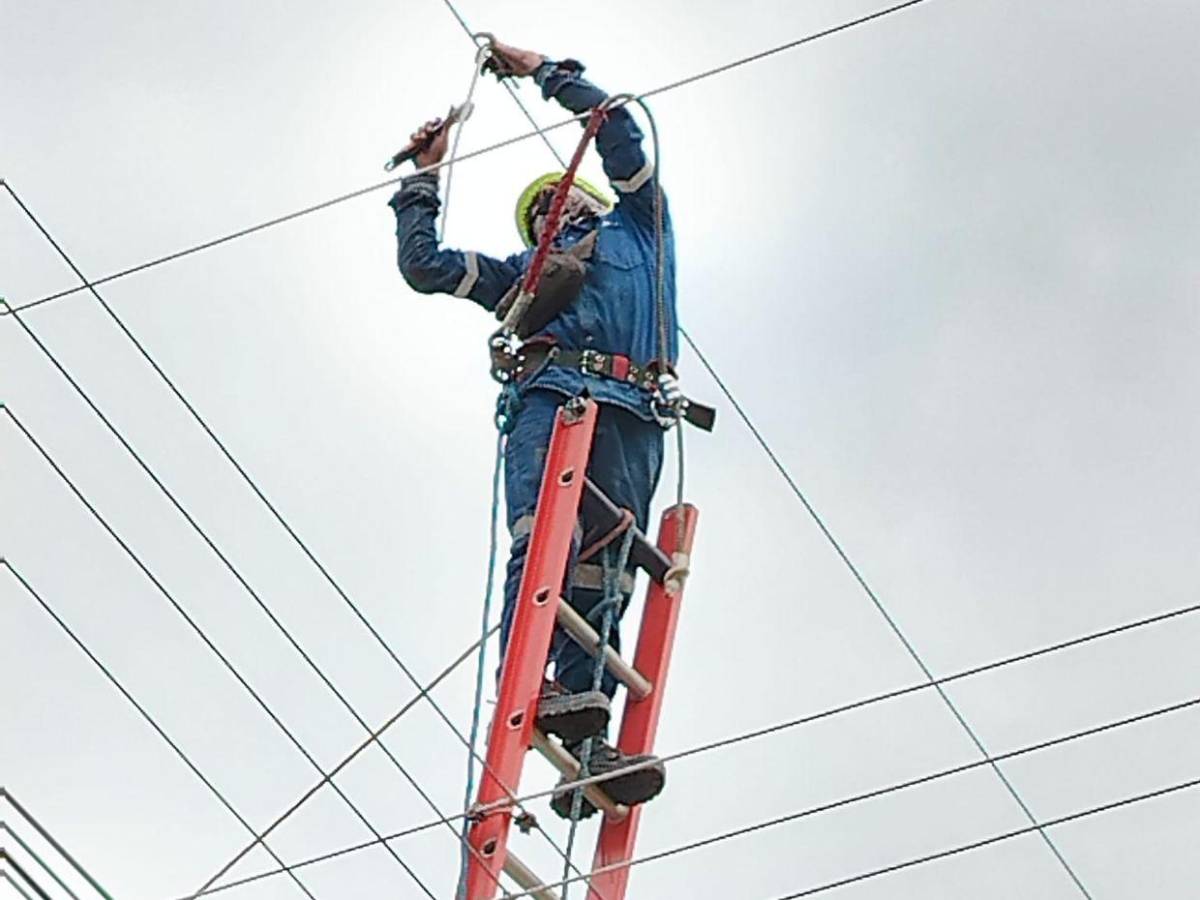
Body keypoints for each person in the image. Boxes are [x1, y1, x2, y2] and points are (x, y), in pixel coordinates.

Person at [389, 40, 675, 818]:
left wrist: (544, 70)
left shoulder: (639, 230)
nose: (551, 212)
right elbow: (427, 269)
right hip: (555, 397)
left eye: (558, 199)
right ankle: (536, 682)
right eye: (537, 213)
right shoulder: (523, 274)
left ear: (585, 197)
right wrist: (423, 178)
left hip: (636, 412)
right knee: (545, 539)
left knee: (606, 567)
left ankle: (585, 745)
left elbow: (614, 124)